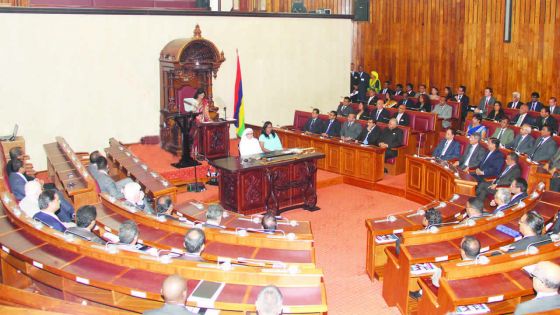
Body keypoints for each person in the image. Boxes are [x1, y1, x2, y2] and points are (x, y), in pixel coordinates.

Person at [409, 236, 480, 300]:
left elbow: (435, 284)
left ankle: (420, 293)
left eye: (460, 248)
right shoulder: (485, 265)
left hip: (451, 296)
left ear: (463, 252)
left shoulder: (450, 268)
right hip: (473, 294)